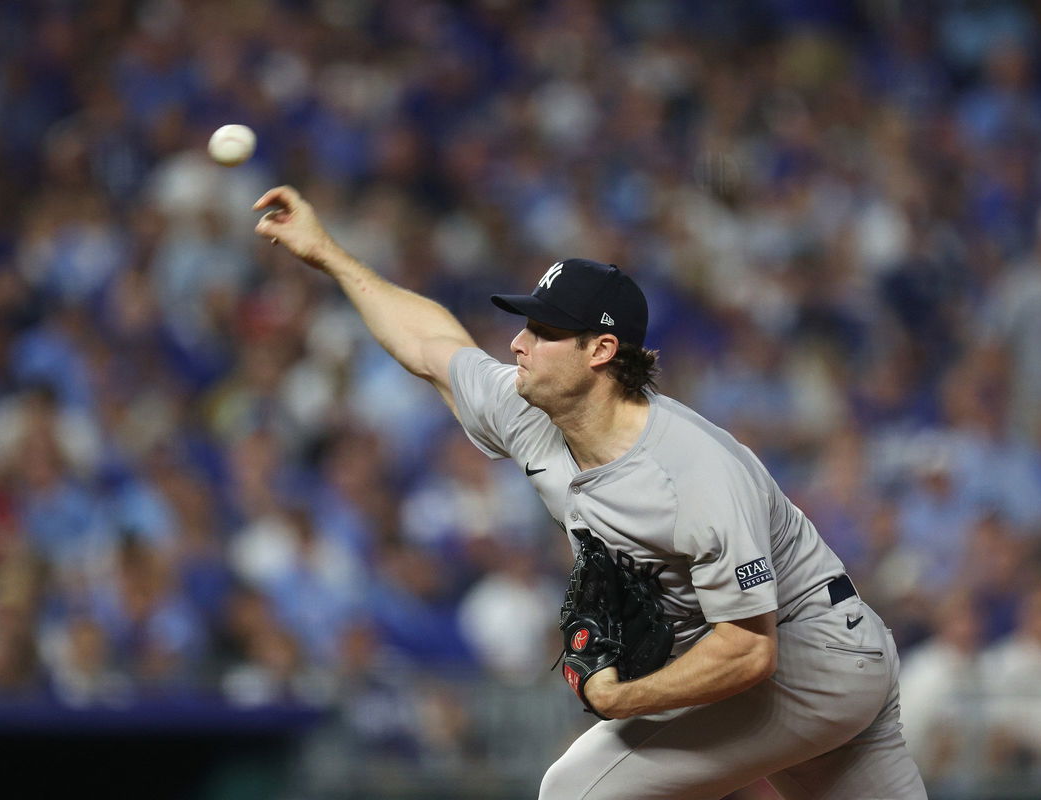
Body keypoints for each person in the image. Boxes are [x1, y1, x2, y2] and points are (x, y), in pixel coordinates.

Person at [253, 185, 927, 799]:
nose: (517, 344)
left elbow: (751, 650)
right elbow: (431, 345)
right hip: (830, 658)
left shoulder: (691, 472)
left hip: (808, 653)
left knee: (576, 791)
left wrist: (621, 695)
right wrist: (328, 254)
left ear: (601, 352)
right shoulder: (531, 412)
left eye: (542, 333)